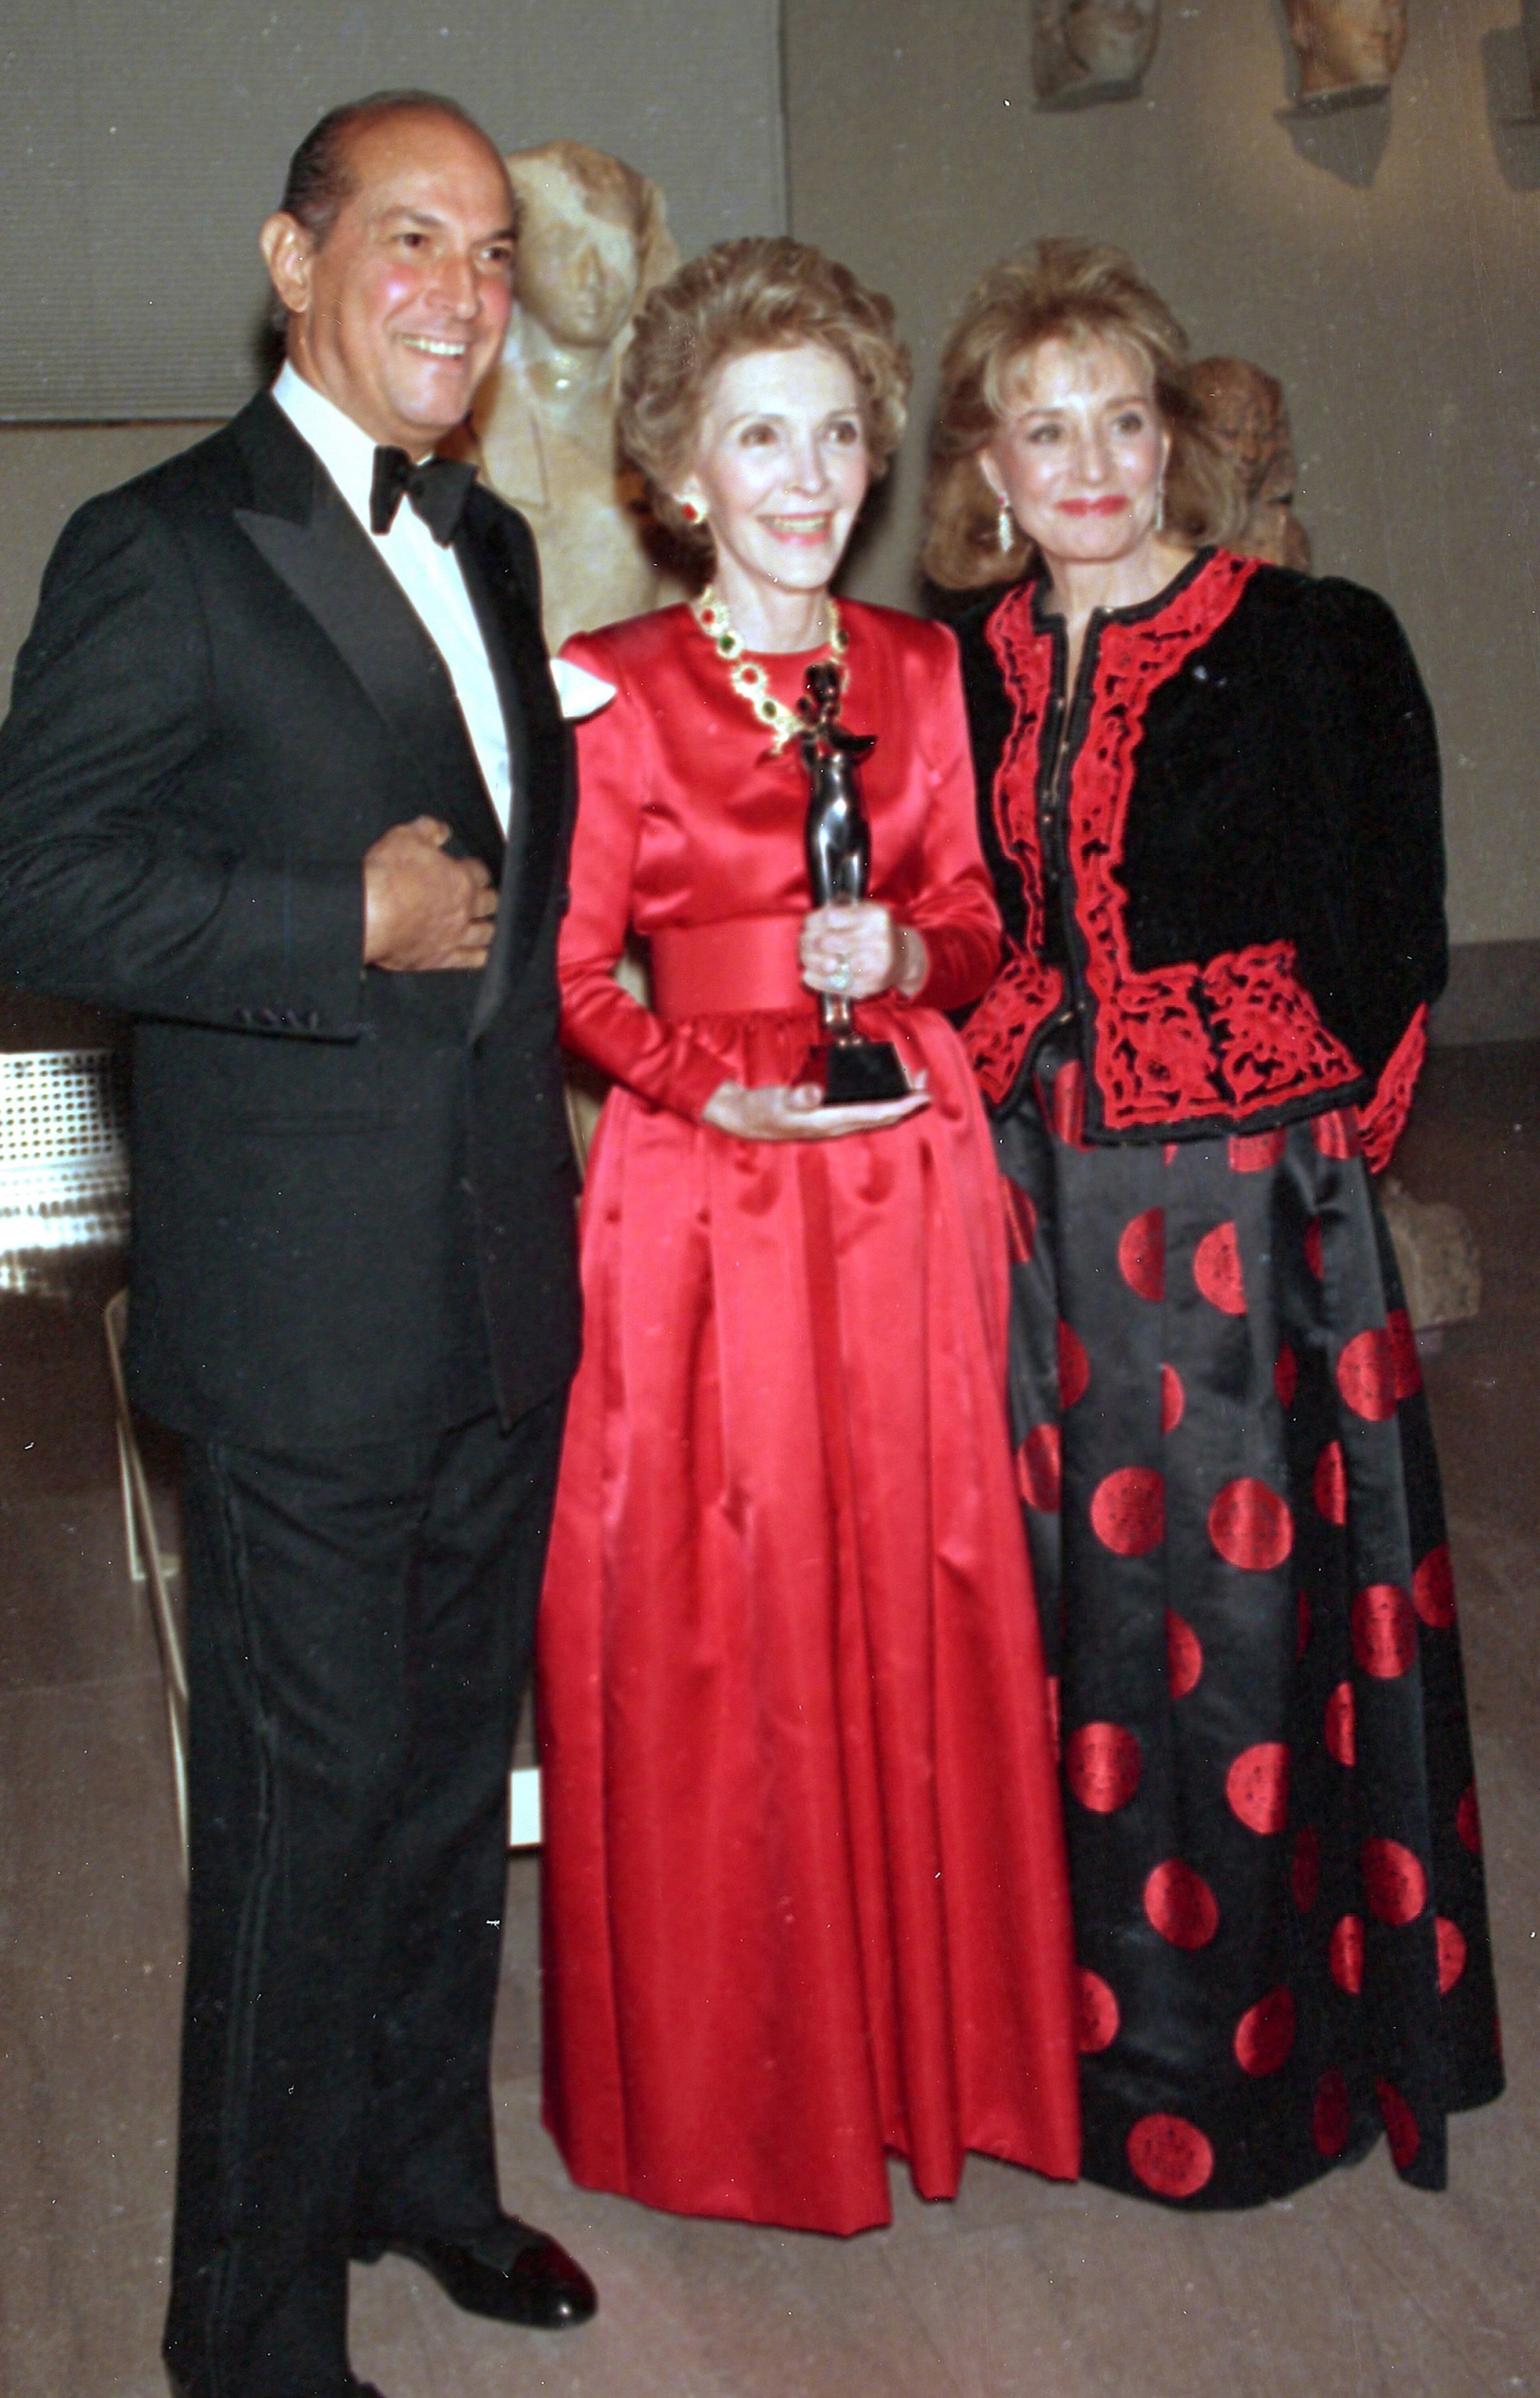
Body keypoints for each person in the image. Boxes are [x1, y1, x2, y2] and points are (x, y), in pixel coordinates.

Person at [0, 90, 596, 2398]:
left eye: (491, 251)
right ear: (292, 259)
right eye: (411, 238)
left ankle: (415, 2174)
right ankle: (246, 2328)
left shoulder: (495, 541)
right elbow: (40, 885)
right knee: (302, 1817)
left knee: (442, 1788)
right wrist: (326, 917)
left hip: (492, 1290)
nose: (462, 289)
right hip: (298, 1319)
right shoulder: (161, 544)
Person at [924, 237, 1503, 2209]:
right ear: (988, 467)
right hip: (1027, 1200)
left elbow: (1390, 939)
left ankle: (1243, 2077)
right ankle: (1062, 2058)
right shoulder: (967, 667)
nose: (1090, 465)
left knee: (1237, 1635)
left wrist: (1307, 1177)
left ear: (1172, 439)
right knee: (1055, 1622)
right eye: (1044, 430)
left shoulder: (1313, 640)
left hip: (1238, 1213)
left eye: (1123, 420)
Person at [537, 235, 1080, 2234]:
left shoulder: (923, 667)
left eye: (837, 434)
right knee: (732, 1602)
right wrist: (711, 1082)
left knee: (922, 1575)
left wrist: (912, 954)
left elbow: (982, 919)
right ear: (681, 470)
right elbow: (567, 983)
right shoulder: (610, 684)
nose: (805, 476)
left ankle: (938, 2047)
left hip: (903, 1174)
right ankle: (753, 2082)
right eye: (758, 436)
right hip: (708, 1187)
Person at [458, 138, 685, 648]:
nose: (595, 276)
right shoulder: (455, 448)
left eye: (616, 246)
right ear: (510, 260)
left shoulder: (674, 453)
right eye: (562, 243)